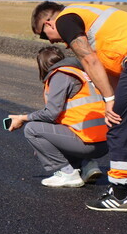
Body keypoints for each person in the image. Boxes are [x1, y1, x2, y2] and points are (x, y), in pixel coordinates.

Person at [31, 1, 127, 212]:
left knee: (119, 126)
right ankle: (120, 188)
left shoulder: (65, 19)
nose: (55, 41)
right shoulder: (87, 17)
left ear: (48, 23)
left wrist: (110, 101)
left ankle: (119, 195)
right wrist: (113, 100)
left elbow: (88, 59)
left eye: (43, 35)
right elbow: (114, 73)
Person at [6, 47, 108, 188]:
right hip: (104, 142)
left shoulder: (61, 75)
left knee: (32, 130)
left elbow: (51, 113)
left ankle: (68, 174)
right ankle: (87, 165)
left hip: (87, 143)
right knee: (47, 137)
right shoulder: (82, 74)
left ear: (42, 65)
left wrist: (23, 118)